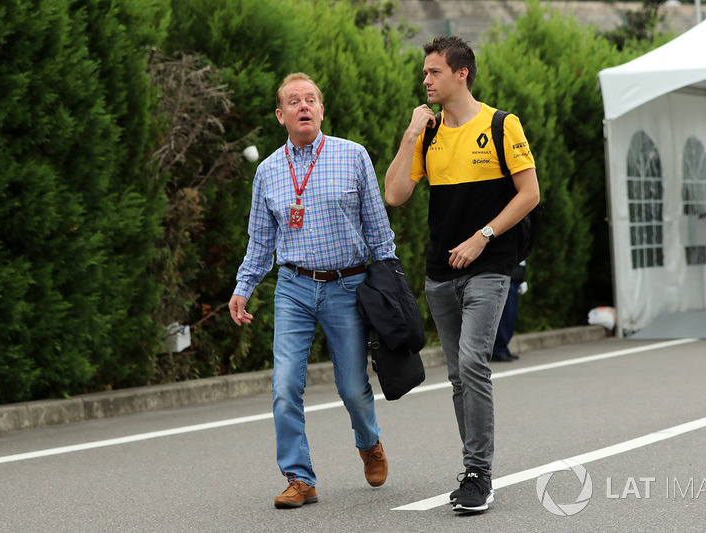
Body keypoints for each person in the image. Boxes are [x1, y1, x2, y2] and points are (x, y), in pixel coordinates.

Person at [385, 35, 540, 513]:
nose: (425, 79)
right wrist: (411, 134)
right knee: (457, 375)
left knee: (473, 363)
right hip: (440, 273)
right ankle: (474, 468)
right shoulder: (428, 133)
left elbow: (529, 193)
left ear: (460, 74)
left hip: (489, 266)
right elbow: (395, 195)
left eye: (433, 71)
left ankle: (479, 475)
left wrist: (484, 236)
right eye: (425, 72)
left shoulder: (500, 124)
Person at [228, 72, 396, 509]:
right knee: (284, 385)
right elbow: (261, 242)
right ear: (280, 115)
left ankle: (369, 442)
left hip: (347, 285)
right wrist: (243, 287)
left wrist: (393, 281)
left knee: (353, 388)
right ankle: (299, 478)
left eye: (311, 99)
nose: (304, 106)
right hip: (294, 288)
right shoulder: (267, 171)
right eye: (294, 101)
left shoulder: (353, 156)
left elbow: (379, 230)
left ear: (321, 110)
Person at [491, 260, 527, 362]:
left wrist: (521, 279)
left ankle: (503, 348)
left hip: (515, 278)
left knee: (510, 317)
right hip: (506, 278)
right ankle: (498, 350)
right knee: (505, 316)